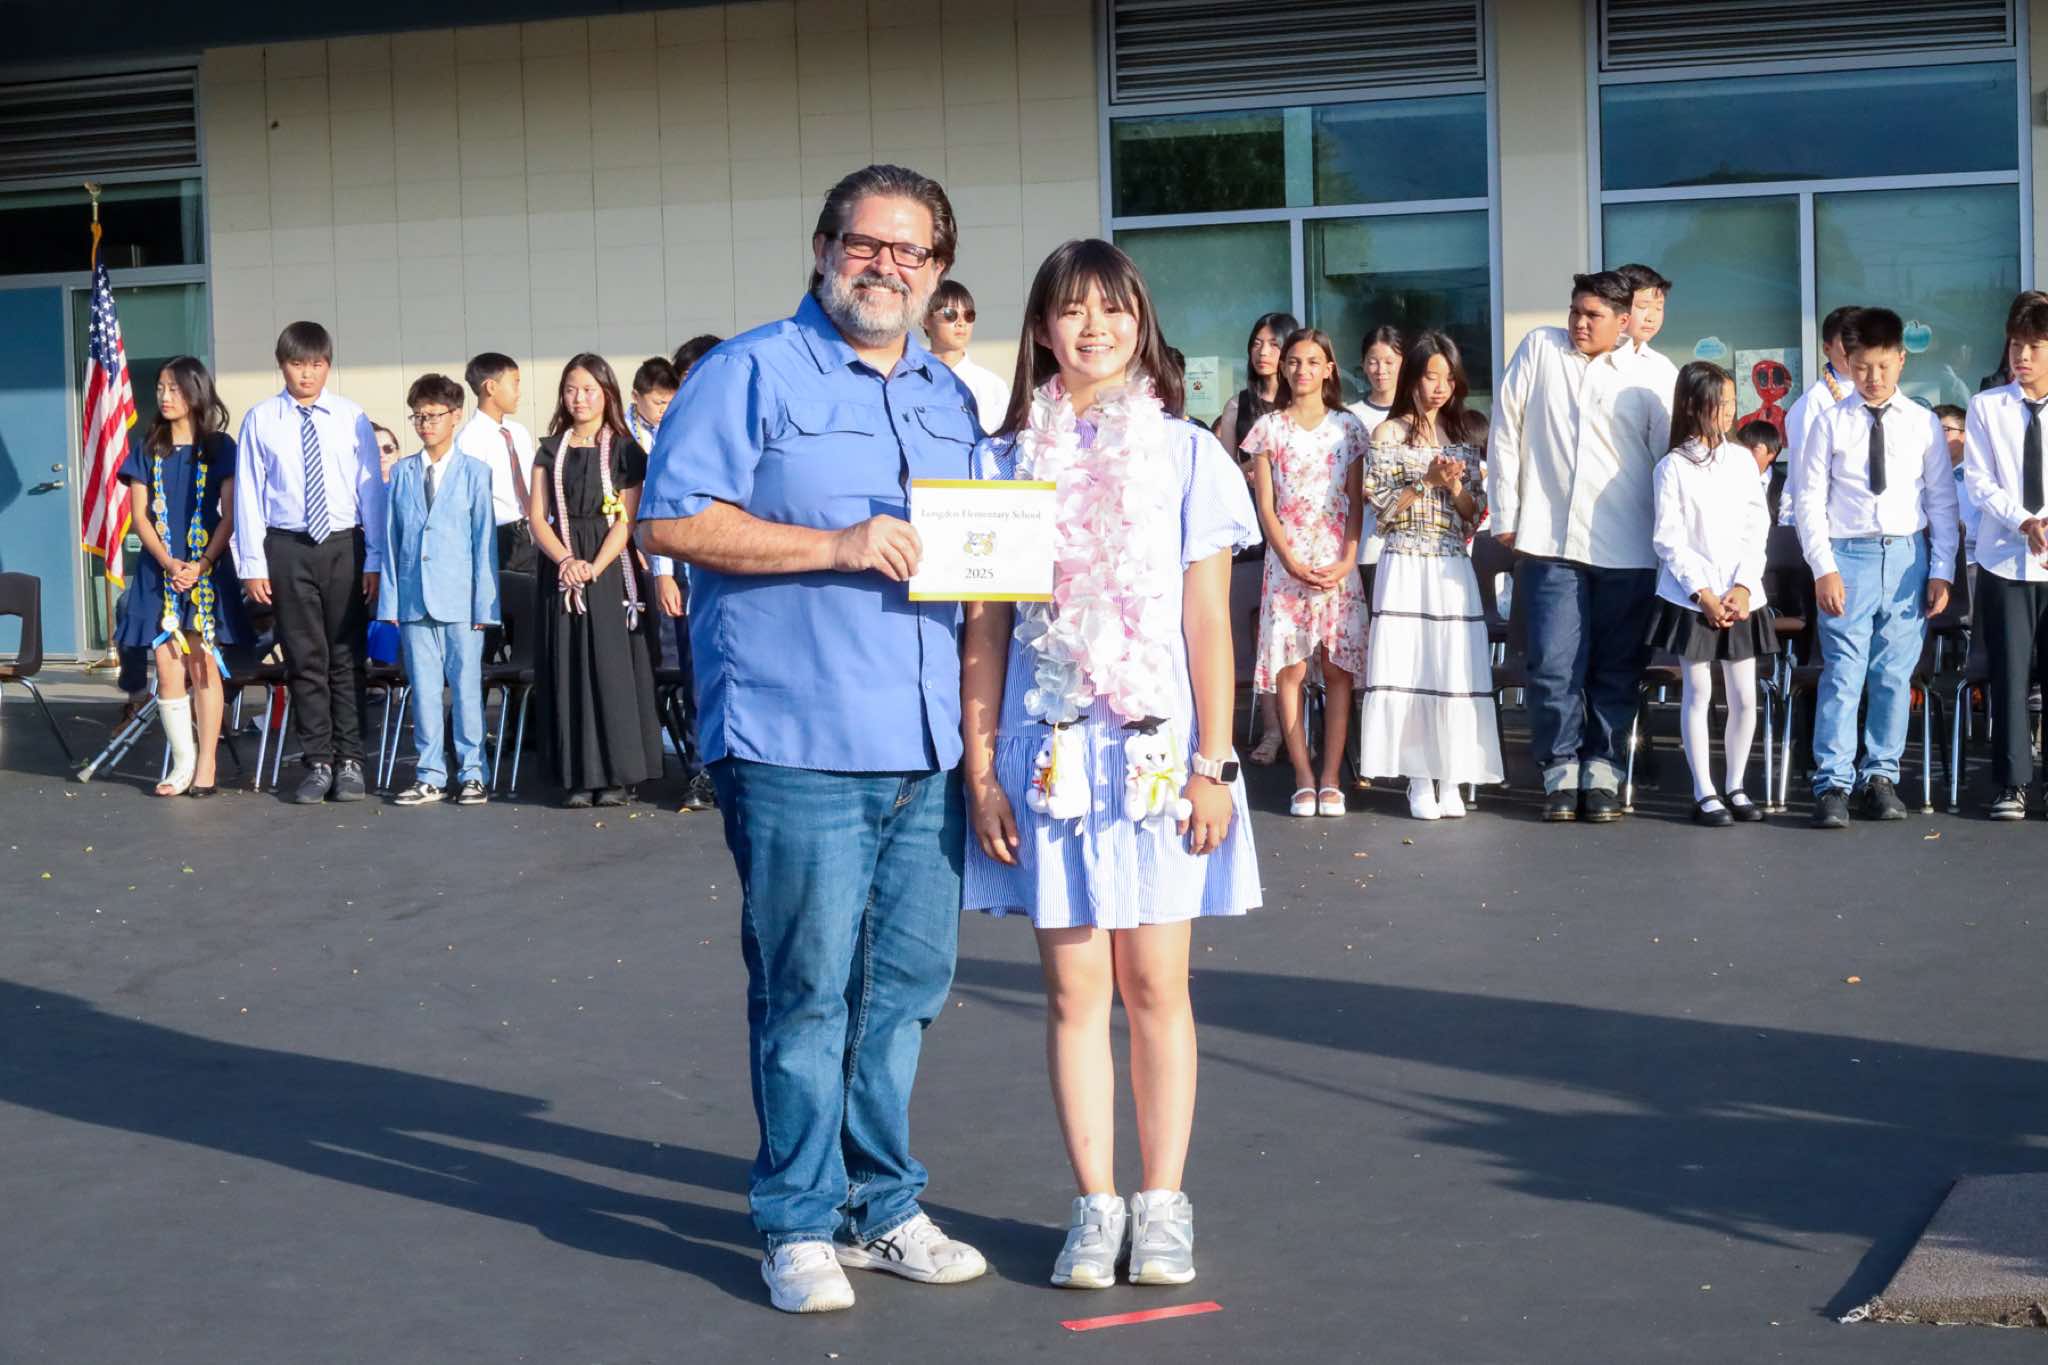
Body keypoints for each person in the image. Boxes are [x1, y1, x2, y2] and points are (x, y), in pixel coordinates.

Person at [638, 164, 987, 1314]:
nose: (884, 266)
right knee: (806, 989)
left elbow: (986, 553)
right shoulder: (748, 372)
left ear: (936, 270)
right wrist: (835, 545)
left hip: (926, 743)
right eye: (864, 243)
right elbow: (669, 520)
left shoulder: (947, 397)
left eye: (908, 250)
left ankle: (880, 1207)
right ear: (824, 248)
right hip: (796, 736)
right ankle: (796, 1219)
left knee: (906, 986)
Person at [960, 237, 1260, 1292]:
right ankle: (1095, 1206)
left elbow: (1209, 624)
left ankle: (1162, 1203)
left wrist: (1216, 762)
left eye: (1114, 309)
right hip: (1048, 757)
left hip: (1159, 756)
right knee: (1073, 987)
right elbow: (985, 630)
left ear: (1142, 324)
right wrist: (981, 771)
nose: (1095, 328)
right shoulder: (998, 463)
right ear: (1042, 330)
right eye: (1073, 310)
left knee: (1156, 983)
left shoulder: (1188, 456)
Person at [1488, 271, 1672, 822]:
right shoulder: (1540, 349)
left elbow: (1668, 464)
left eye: (1593, 315)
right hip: (1548, 541)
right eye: (1575, 311)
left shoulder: (1655, 374)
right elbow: (1505, 429)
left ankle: (1604, 771)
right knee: (1552, 664)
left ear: (1624, 321)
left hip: (1628, 547)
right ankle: (1559, 772)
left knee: (1616, 668)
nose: (1579, 323)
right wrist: (1506, 513)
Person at [1792, 307, 1957, 828]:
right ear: (1847, 362)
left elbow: (1941, 501)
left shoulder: (1922, 423)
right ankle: (1832, 783)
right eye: (1862, 367)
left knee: (1892, 674)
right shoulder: (1830, 422)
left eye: (1883, 366)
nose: (1873, 378)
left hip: (1907, 556)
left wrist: (1942, 569)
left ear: (1901, 360)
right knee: (1843, 673)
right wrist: (1823, 567)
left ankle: (1880, 776)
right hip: (1847, 555)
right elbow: (1808, 501)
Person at [232, 321, 387, 805]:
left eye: (316, 364)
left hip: (344, 544)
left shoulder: (351, 416)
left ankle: (351, 761)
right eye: (297, 364)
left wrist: (375, 557)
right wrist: (252, 563)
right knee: (304, 657)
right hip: (287, 546)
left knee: (346, 655)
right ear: (282, 366)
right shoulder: (261, 419)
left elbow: (370, 491)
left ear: (328, 366)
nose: (307, 374)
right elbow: (249, 494)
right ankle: (318, 761)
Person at [1357, 330, 1500, 819]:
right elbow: (1382, 514)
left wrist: (1456, 488)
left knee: (1453, 666)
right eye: (1431, 376)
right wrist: (1427, 482)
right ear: (1413, 377)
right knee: (1410, 667)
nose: (1440, 387)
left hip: (1451, 564)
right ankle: (1418, 777)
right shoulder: (1388, 434)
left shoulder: (1462, 435)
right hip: (1403, 562)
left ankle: (1452, 774)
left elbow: (1473, 515)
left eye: (1448, 378)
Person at [528, 354, 664, 808]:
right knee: (569, 667)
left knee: (611, 666)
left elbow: (627, 519)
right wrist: (567, 560)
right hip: (562, 566)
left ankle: (616, 775)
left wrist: (595, 566)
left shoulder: (626, 451)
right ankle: (577, 776)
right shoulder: (550, 449)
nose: (579, 398)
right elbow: (537, 517)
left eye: (588, 389)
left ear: (606, 393)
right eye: (571, 389)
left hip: (609, 569)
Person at [1244, 328, 1369, 818]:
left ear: (1329, 369)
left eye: (1313, 362)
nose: (1302, 370)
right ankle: (1302, 776)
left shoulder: (1348, 428)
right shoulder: (1268, 429)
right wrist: (1290, 561)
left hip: (1336, 562)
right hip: (1286, 564)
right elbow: (1266, 507)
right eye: (1294, 361)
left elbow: (1355, 503)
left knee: (1337, 670)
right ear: (1283, 367)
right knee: (1291, 670)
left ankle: (1331, 777)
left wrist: (1347, 559)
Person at [1647, 362, 1777, 827]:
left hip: (1741, 595)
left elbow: (1756, 526)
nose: (1728, 411)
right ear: (1692, 405)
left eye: (1731, 402)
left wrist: (1743, 586)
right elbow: (1669, 539)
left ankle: (1736, 785)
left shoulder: (1741, 460)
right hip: (1692, 598)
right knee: (1699, 691)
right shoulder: (1672, 467)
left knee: (1744, 695)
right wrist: (1702, 592)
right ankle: (1704, 789)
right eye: (1719, 402)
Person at [117, 357, 249, 797]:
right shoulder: (147, 448)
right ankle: (182, 760)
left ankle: (207, 761)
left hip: (206, 570)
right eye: (160, 388)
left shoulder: (219, 447)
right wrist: (170, 563)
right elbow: (140, 517)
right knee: (167, 664)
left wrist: (202, 563)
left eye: (174, 388)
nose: (165, 396)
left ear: (195, 392)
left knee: (203, 662)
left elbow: (229, 514)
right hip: (161, 571)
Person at [380, 373, 499, 808]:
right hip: (414, 600)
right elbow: (392, 541)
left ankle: (473, 773)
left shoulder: (475, 473)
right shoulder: (403, 473)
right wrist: (390, 603)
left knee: (466, 689)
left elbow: (484, 542)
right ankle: (429, 774)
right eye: (418, 416)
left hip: (461, 601)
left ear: (455, 416)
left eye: (433, 415)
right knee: (425, 691)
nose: (425, 424)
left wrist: (485, 606)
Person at [1962, 293, 2048, 820]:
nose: (2023, 356)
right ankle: (2011, 784)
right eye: (2016, 345)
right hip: (2005, 561)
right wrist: (2024, 521)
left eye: (2035, 346)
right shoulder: (1987, 406)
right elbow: (1978, 480)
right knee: (2009, 677)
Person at [1215, 310, 1300, 765]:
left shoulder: (1302, 404)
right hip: (1253, 531)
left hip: (1300, 529)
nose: (1263, 352)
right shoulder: (1239, 406)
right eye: (1256, 343)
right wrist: (1247, 470)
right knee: (1262, 631)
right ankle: (1271, 730)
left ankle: (1306, 728)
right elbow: (1222, 472)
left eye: (1273, 343)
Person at [648, 337, 724, 815]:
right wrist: (663, 574)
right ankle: (701, 770)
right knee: (697, 680)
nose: (693, 386)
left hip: (744, 576)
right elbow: (659, 507)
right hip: (691, 577)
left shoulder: (749, 422)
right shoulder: (671, 433)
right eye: (686, 378)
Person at [455, 352, 539, 575]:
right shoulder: (469, 440)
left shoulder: (518, 432)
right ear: (491, 387)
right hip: (499, 536)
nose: (519, 393)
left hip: (533, 530)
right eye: (515, 383)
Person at [1782, 305, 1860, 523]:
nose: (1856, 348)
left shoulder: (1876, 393)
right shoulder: (1814, 402)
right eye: (1848, 341)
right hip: (1832, 525)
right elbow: (1804, 479)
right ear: (1827, 348)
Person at [1346, 325, 1404, 593]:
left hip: (1411, 546)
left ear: (1403, 363)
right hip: (1368, 544)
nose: (1381, 370)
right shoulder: (1350, 416)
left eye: (1389, 362)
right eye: (1373, 361)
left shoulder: (1417, 415)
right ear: (1363, 365)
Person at [921, 279, 1008, 432]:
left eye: (969, 315)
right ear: (925, 320)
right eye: (950, 314)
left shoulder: (992, 386)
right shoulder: (907, 380)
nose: (961, 323)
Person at [1616, 262, 1681, 397]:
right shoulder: (1595, 357)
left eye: (1658, 308)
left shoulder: (1663, 367)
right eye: (1642, 306)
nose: (1651, 318)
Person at [1934, 403, 1979, 566]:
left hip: (1971, 562)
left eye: (1944, 430)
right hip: (1927, 560)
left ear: (1965, 434)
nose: (1935, 437)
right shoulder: (1918, 477)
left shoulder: (1980, 477)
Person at [1736, 418, 1787, 521]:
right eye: (1743, 449)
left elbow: (1787, 521)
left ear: (1772, 454)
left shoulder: (1784, 485)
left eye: (1754, 449)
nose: (1746, 454)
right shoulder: (1732, 479)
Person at [626, 356, 678, 452]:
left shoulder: (680, 424)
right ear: (636, 396)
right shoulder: (622, 430)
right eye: (659, 403)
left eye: (671, 403)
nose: (665, 410)